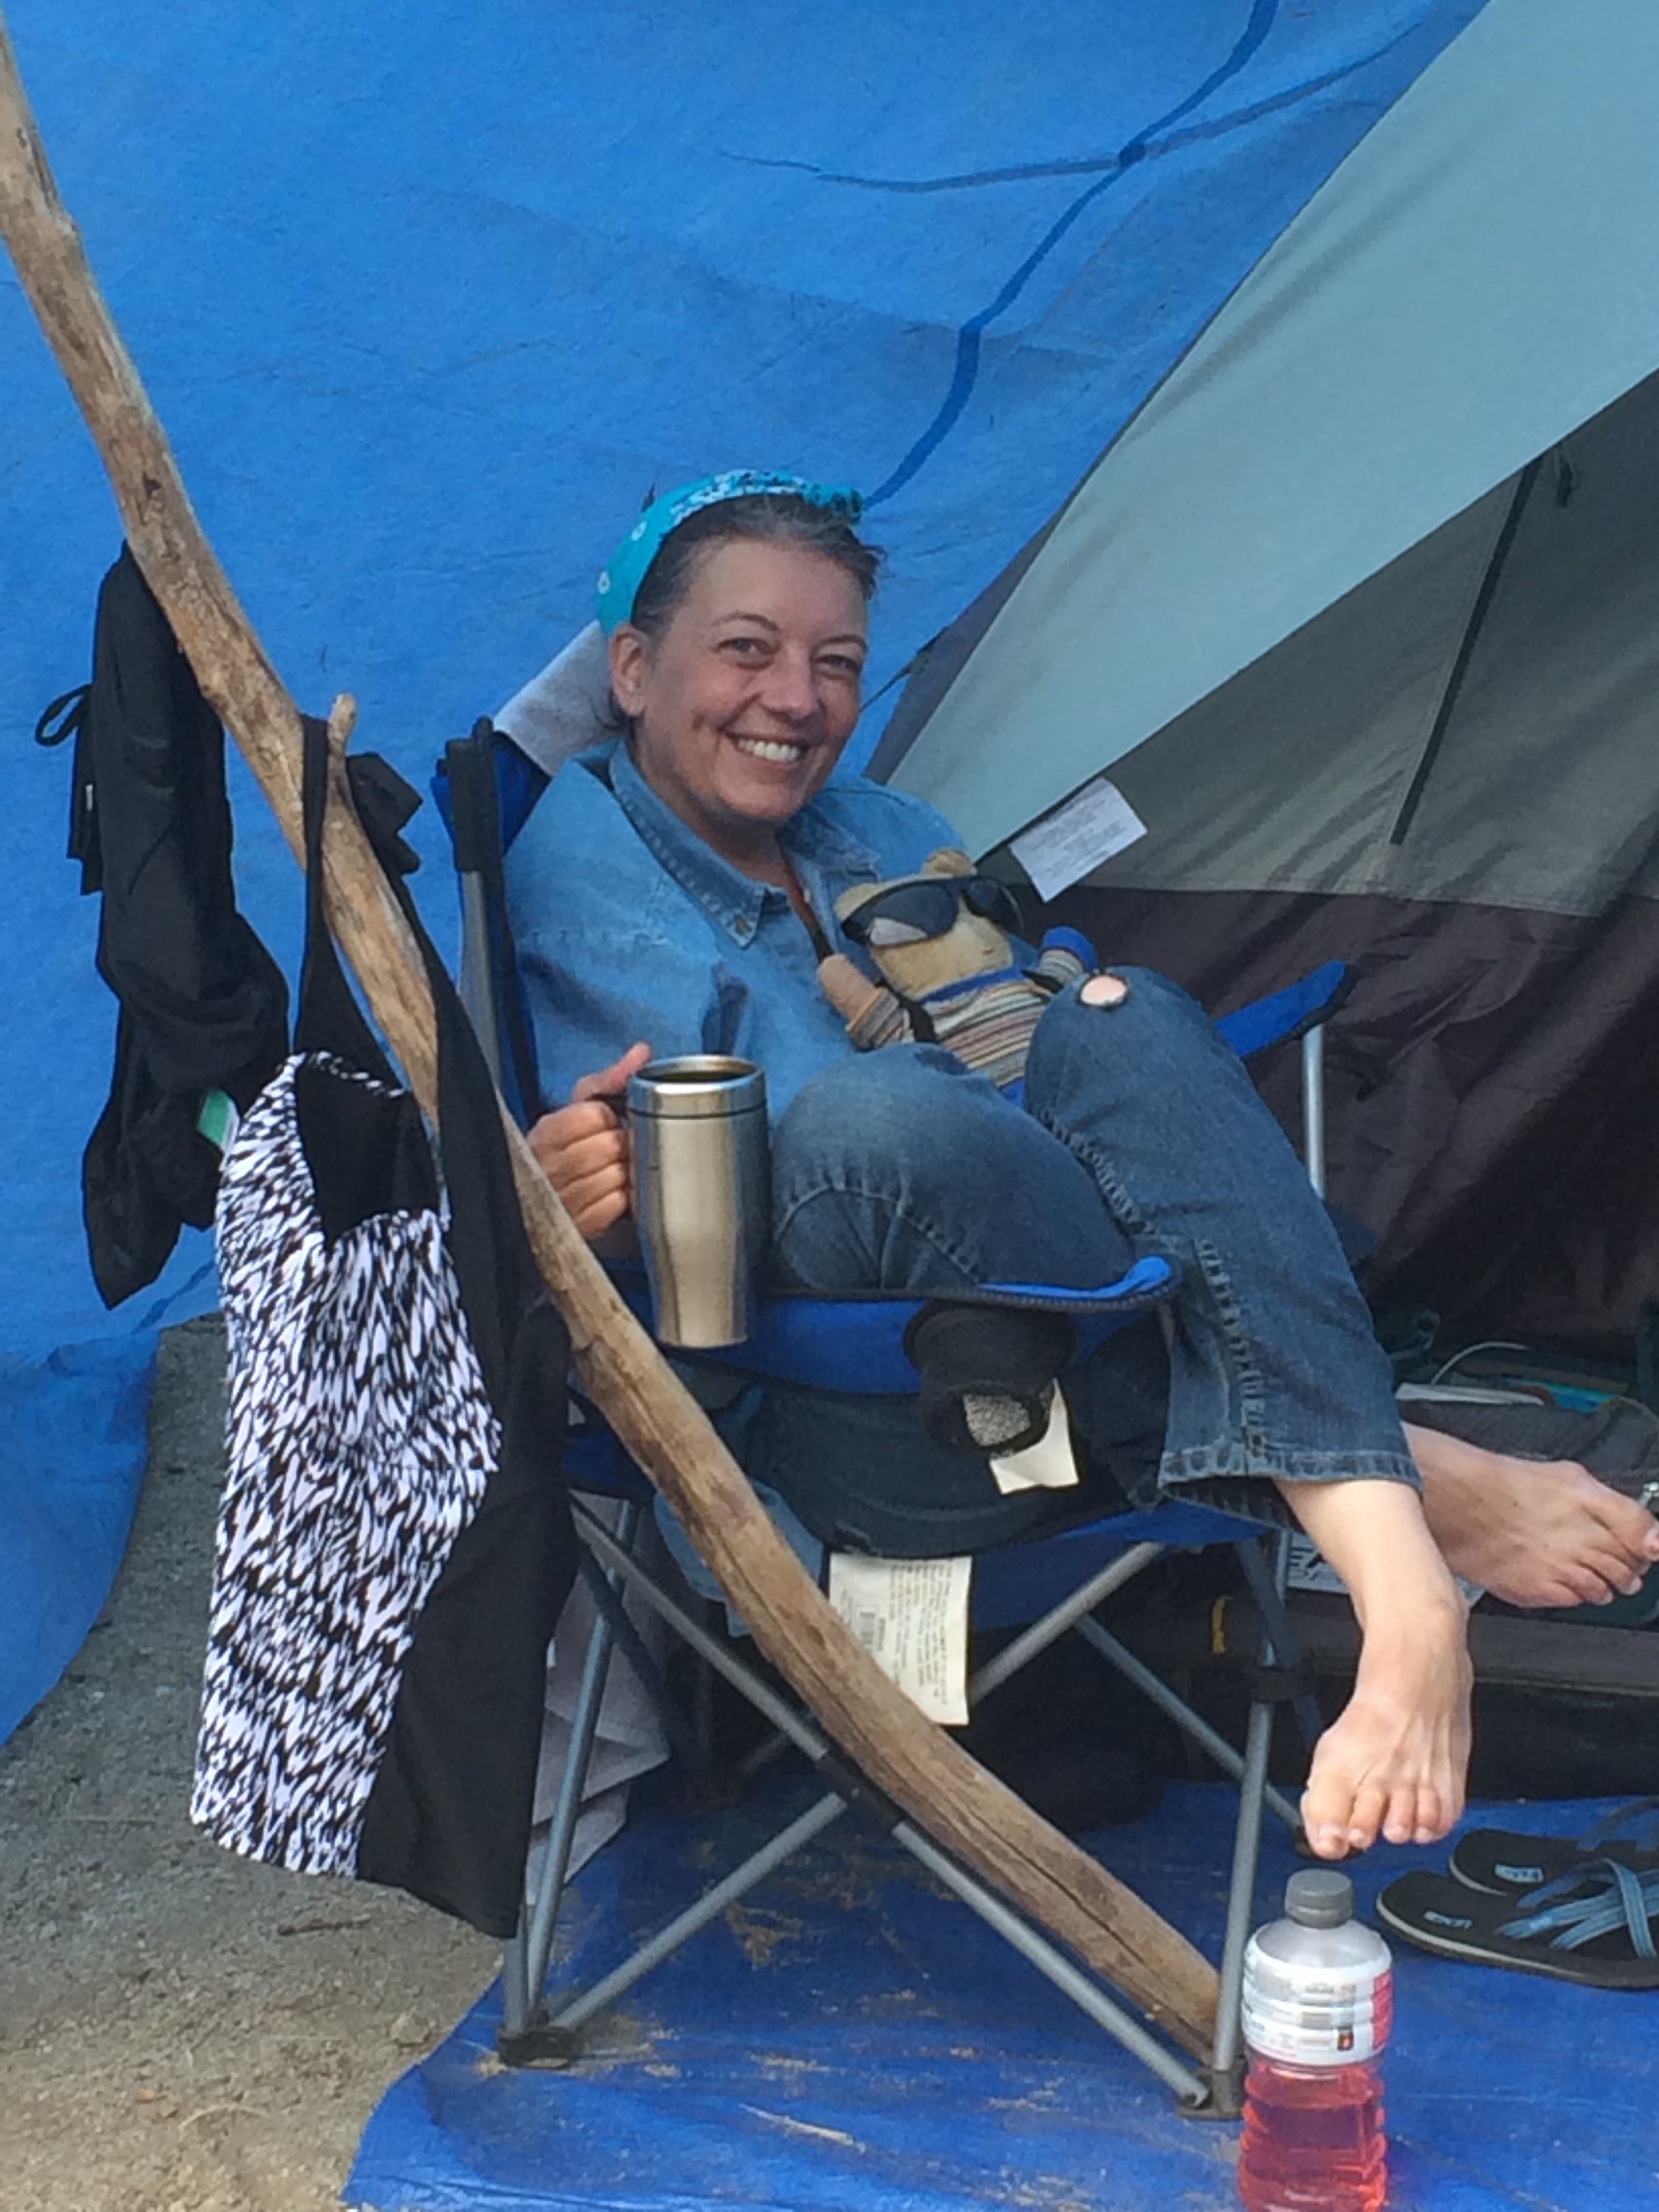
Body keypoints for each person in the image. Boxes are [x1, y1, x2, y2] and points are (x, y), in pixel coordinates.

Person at [508, 471, 1659, 1861]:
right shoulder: (582, 875)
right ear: (635, 668)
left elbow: (1047, 1061)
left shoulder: (878, 828)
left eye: (838, 663)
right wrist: (576, 1196)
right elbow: (737, 1191)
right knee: (876, 1121)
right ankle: (1393, 1472)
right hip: (868, 1417)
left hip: (1055, 1354)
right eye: (746, 649)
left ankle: (1403, 1599)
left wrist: (1072, 1044)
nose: (797, 701)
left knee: (1128, 1015)